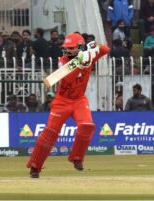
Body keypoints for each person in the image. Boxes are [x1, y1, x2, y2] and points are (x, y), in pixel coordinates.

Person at [26, 33, 110, 178]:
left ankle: (77, 158)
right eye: (67, 48)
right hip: (62, 101)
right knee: (50, 133)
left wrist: (92, 47)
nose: (68, 51)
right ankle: (35, 167)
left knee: (87, 125)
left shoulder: (88, 55)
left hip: (79, 100)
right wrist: (79, 63)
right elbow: (69, 77)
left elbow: (106, 49)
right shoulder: (62, 60)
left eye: (71, 48)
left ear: (80, 47)